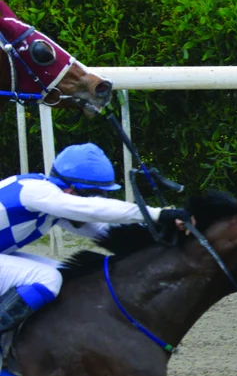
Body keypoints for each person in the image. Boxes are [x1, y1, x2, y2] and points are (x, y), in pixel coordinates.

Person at [0, 143, 174, 337]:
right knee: (47, 279)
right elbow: (92, 209)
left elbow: (106, 229)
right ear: (71, 190)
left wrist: (165, 228)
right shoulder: (36, 191)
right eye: (93, 196)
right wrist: (157, 214)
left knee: (67, 275)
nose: (99, 200)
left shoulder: (51, 201)